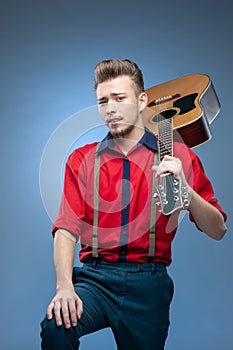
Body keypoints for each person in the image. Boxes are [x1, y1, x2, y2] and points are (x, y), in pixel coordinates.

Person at [40, 59, 227, 350]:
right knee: (56, 328)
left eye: (119, 98)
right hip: (95, 279)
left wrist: (187, 193)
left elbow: (218, 229)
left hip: (149, 285)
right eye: (103, 100)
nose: (111, 108)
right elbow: (66, 227)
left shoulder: (177, 156)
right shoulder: (82, 159)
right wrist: (64, 286)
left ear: (142, 100)